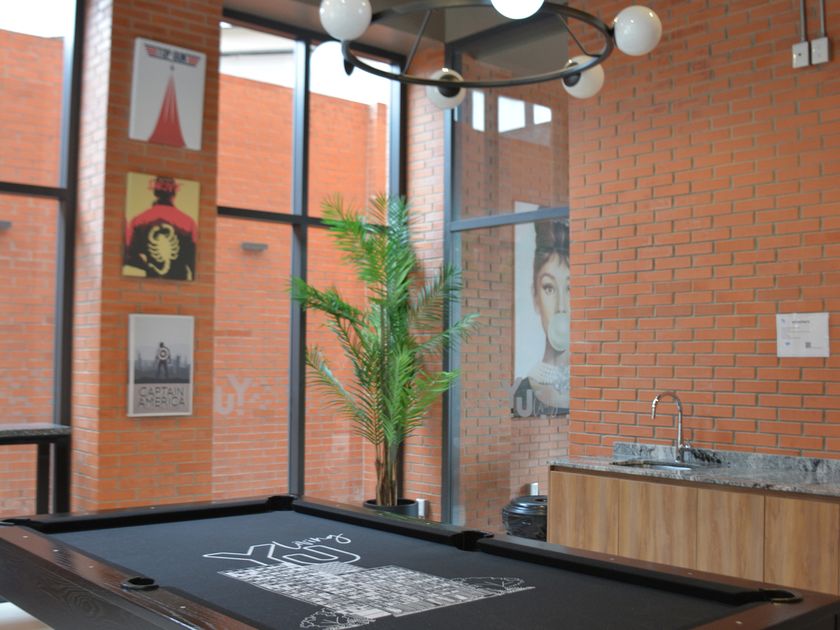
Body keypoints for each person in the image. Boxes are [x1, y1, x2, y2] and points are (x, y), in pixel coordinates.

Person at [513, 219, 570, 417]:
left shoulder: (598, 385)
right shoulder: (521, 394)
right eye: (549, 288)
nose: (561, 307)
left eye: (570, 289)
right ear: (535, 297)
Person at [124, 176, 197, 280]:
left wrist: (147, 266)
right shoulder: (188, 222)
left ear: (155, 192)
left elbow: (129, 255)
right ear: (174, 193)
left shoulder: (138, 220)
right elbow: (194, 261)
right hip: (179, 281)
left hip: (149, 280)